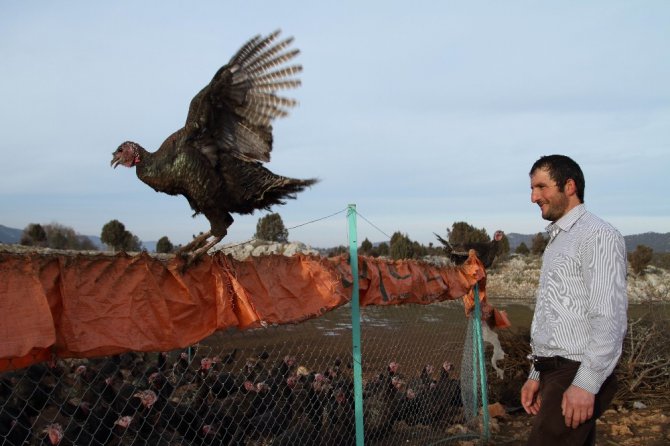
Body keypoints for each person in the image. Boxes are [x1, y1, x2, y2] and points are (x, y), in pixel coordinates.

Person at [521, 155, 628, 445]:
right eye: (532, 189)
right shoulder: (559, 239)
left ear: (569, 186)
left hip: (574, 371)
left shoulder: (598, 235)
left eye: (541, 187)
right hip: (555, 372)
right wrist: (535, 373)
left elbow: (609, 317)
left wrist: (585, 384)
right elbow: (553, 316)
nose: (533, 197)